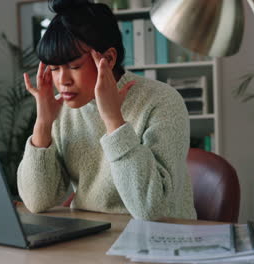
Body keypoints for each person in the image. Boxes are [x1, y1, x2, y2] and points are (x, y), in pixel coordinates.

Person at [17, 0, 197, 220]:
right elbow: (36, 202)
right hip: (90, 238)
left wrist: (113, 120)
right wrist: (43, 124)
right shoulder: (60, 109)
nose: (62, 81)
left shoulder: (162, 101)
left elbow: (152, 210)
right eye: (54, 68)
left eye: (74, 67)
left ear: (109, 59)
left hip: (161, 240)